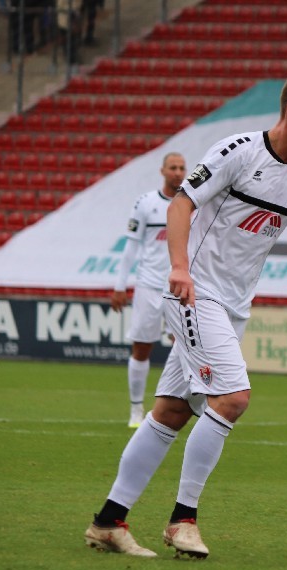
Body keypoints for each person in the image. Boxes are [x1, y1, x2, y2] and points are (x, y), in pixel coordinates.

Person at [84, 69, 287, 558]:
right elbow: (182, 204)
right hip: (196, 293)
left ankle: (108, 522)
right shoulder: (237, 152)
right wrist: (179, 269)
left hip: (232, 307)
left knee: (171, 412)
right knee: (233, 398)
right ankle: (182, 521)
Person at [110, 152, 186, 429]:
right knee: (141, 348)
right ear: (163, 171)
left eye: (182, 168)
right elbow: (131, 247)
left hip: (179, 287)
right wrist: (120, 286)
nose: (178, 172)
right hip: (149, 286)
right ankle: (135, 409)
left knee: (186, 349)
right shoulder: (146, 203)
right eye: (173, 167)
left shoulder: (193, 203)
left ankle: (178, 406)